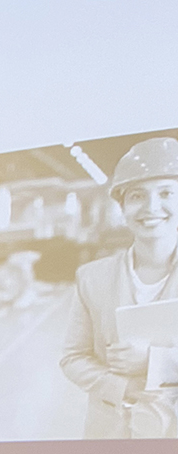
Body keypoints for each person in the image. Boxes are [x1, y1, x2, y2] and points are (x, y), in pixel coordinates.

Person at [61, 137, 178, 438]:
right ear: (123, 206)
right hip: (111, 433)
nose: (151, 207)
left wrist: (154, 362)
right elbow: (73, 358)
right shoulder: (92, 278)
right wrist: (123, 387)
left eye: (166, 192)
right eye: (137, 196)